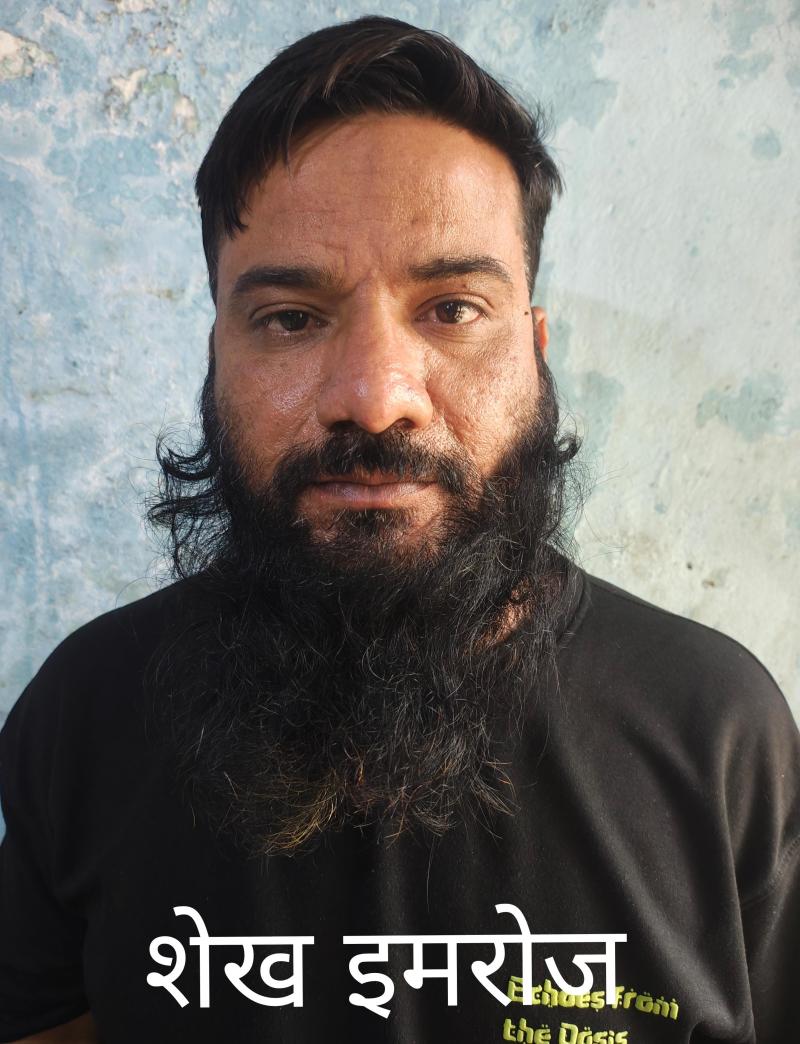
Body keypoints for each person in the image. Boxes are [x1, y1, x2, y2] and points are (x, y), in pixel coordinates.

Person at [0, 15, 797, 1044]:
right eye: (291, 318)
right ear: (217, 356)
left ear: (535, 349)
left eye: (452, 308)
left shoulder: (714, 725)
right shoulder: (87, 713)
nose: (375, 399)